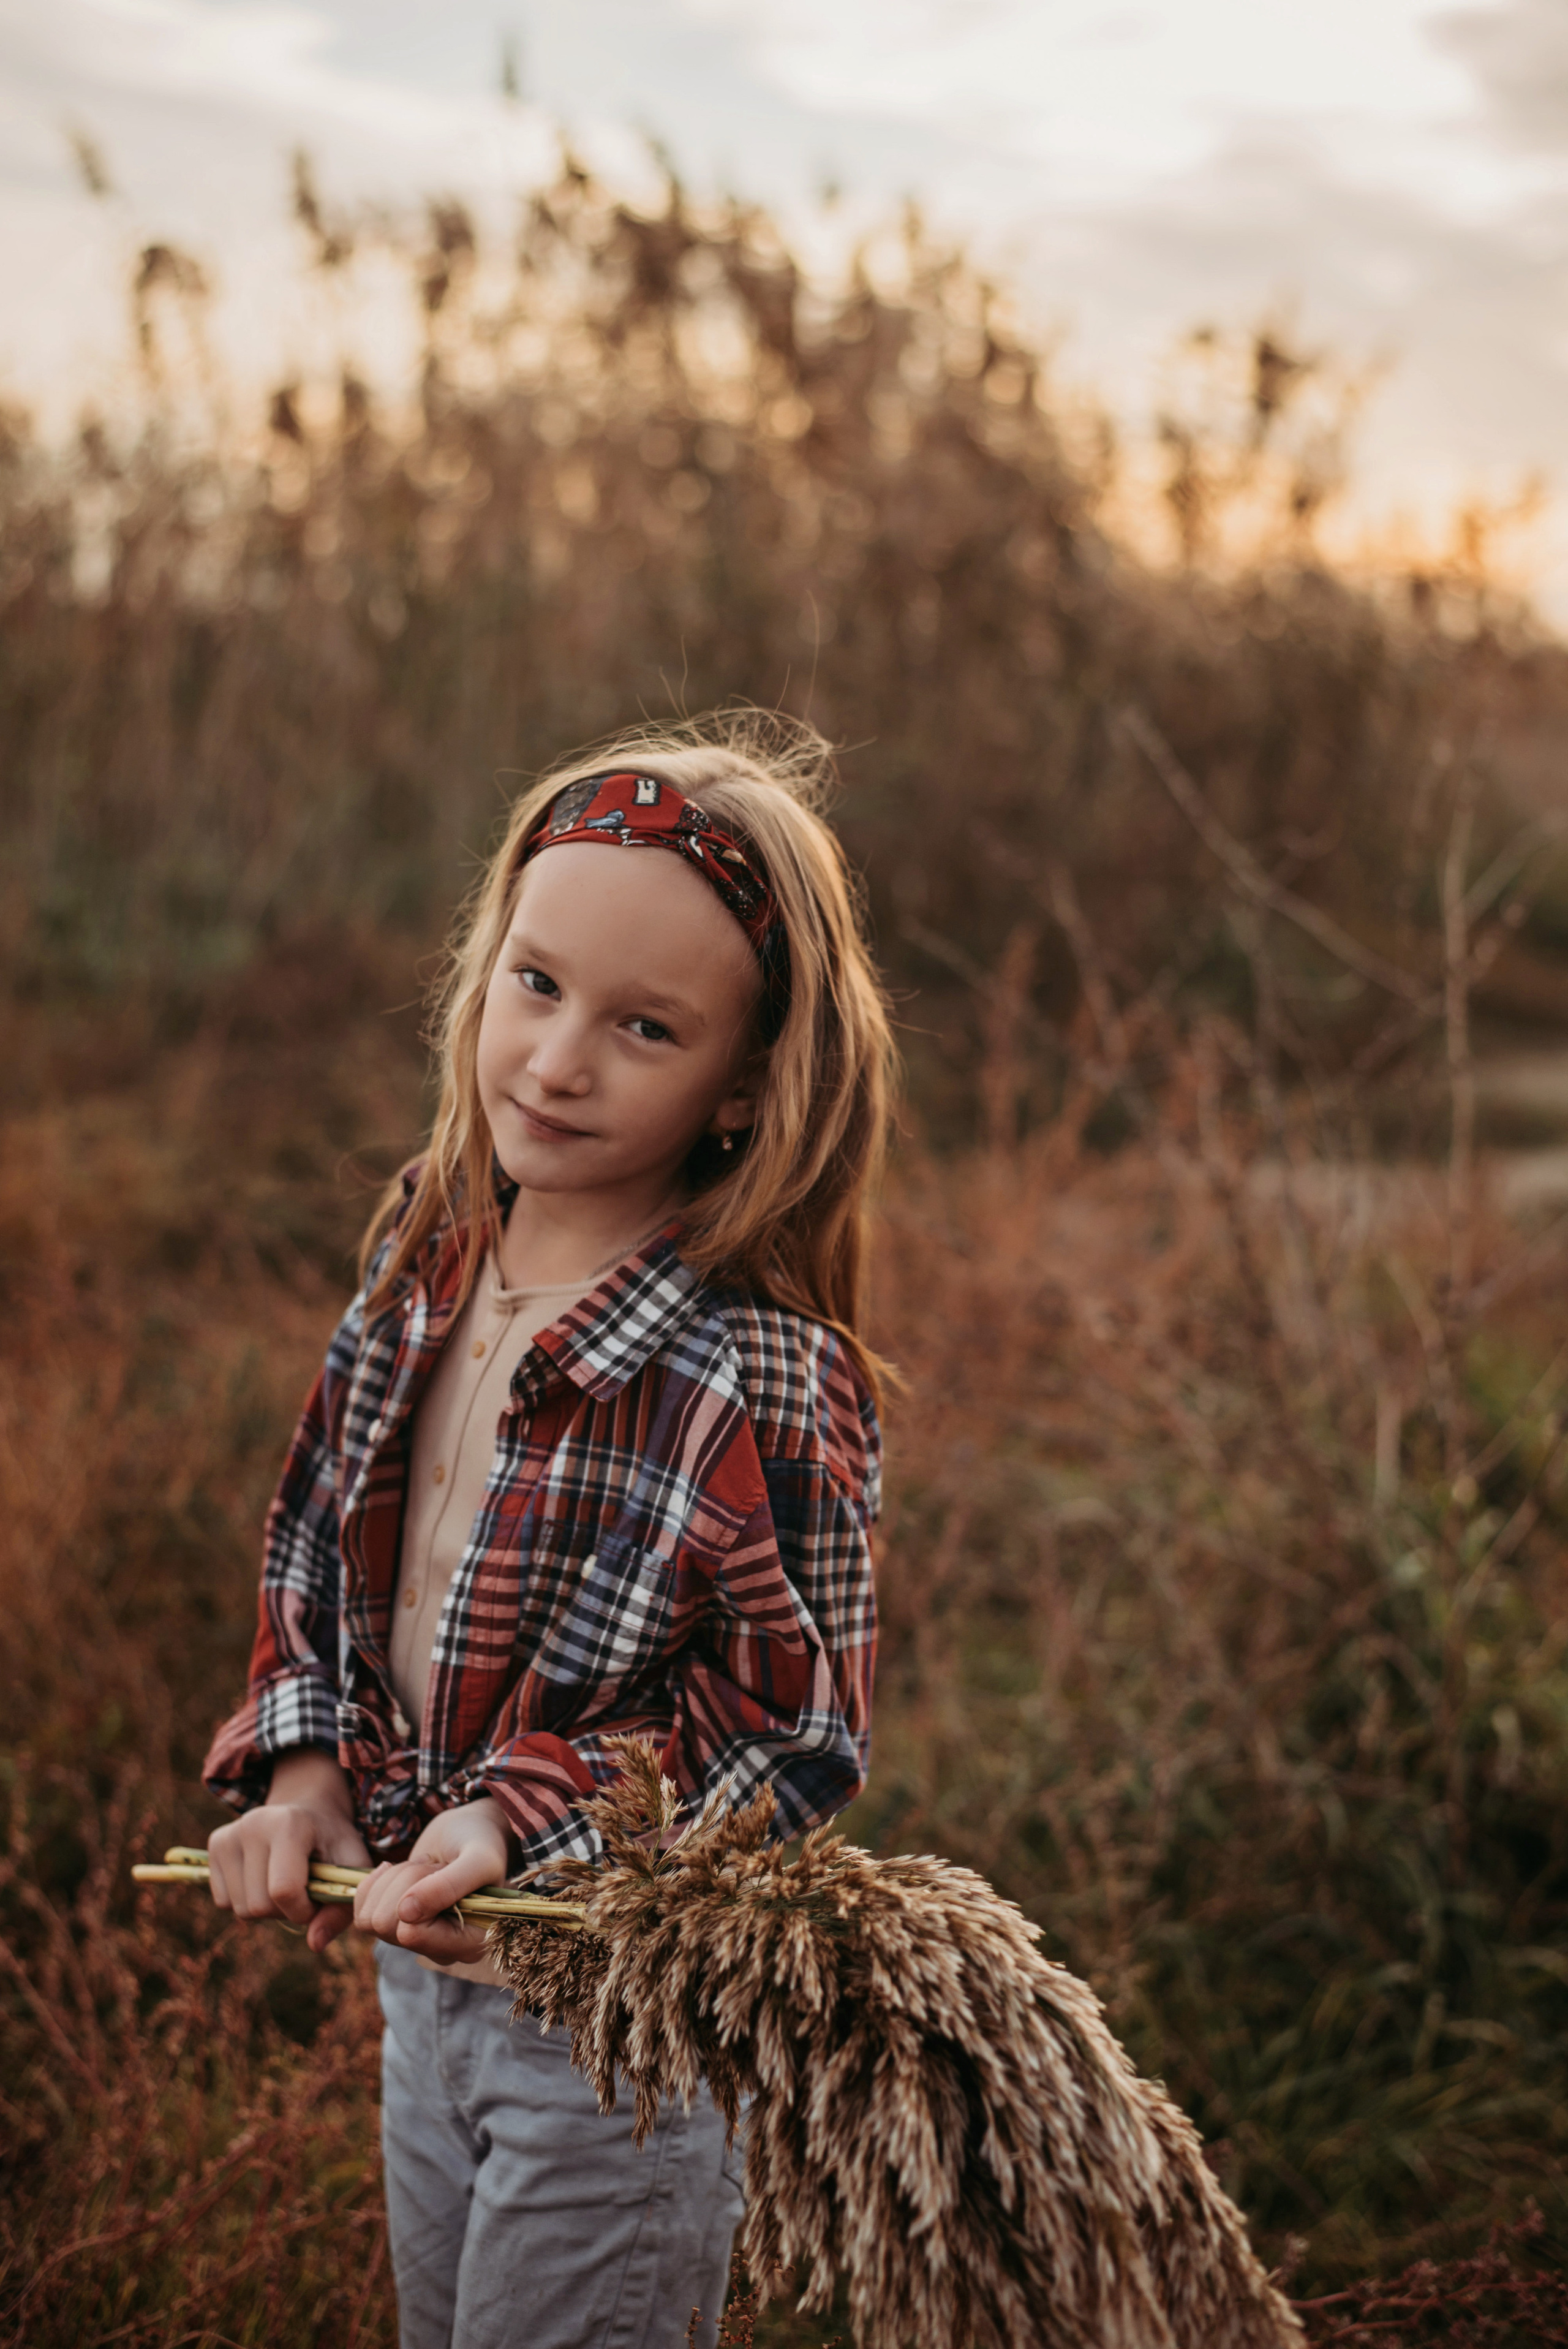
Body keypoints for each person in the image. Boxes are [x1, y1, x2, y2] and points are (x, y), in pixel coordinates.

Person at [198, 714, 895, 2349]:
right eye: (536, 983)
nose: (558, 1059)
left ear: (745, 1085)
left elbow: (787, 1734)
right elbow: (315, 1535)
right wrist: (307, 1776)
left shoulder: (765, 1372)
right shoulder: (430, 1256)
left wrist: (521, 1825)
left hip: (605, 2031)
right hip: (419, 1993)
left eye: (644, 1026)